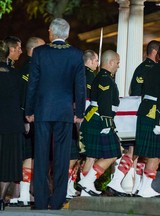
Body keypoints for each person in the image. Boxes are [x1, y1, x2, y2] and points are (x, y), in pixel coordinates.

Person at [25, 18, 86, 210]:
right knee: (62, 156)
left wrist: (29, 110)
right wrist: (80, 111)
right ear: (66, 33)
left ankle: (41, 200)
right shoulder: (76, 54)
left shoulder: (40, 52)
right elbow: (80, 86)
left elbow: (32, 84)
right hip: (65, 111)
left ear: (52, 32)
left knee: (41, 155)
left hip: (43, 110)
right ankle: (58, 199)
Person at [107, 40, 160, 196]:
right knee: (142, 151)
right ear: (155, 52)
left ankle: (135, 186)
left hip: (134, 113)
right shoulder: (154, 70)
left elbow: (133, 90)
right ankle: (128, 184)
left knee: (137, 151)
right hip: (146, 113)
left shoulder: (140, 68)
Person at [134, 41, 160, 198]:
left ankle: (143, 187)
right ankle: (145, 188)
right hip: (154, 115)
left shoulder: (150, 69)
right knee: (155, 153)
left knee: (154, 152)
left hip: (144, 112)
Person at [77, 50, 122, 197]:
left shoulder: (101, 77)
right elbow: (104, 103)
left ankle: (85, 189)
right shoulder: (105, 79)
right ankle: (87, 182)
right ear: (110, 62)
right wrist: (107, 124)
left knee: (92, 155)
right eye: (117, 62)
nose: (118, 66)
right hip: (100, 120)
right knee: (113, 153)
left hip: (95, 119)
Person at [8, 37, 45, 207]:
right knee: (29, 156)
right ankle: (23, 193)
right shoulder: (32, 68)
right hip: (29, 119)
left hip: (24, 118)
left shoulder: (26, 67)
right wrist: (28, 116)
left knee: (28, 156)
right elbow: (27, 95)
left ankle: (22, 193)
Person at [66, 49, 99, 199]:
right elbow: (89, 101)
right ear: (91, 61)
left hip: (73, 116)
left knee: (78, 156)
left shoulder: (76, 73)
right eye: (96, 61)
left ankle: (71, 186)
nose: (97, 64)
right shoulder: (91, 76)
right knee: (76, 155)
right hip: (83, 119)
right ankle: (69, 186)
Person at [0, 40, 25, 206]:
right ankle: (1, 197)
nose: (20, 52)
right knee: (8, 163)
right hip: (11, 123)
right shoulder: (14, 74)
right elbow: (22, 99)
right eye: (18, 48)